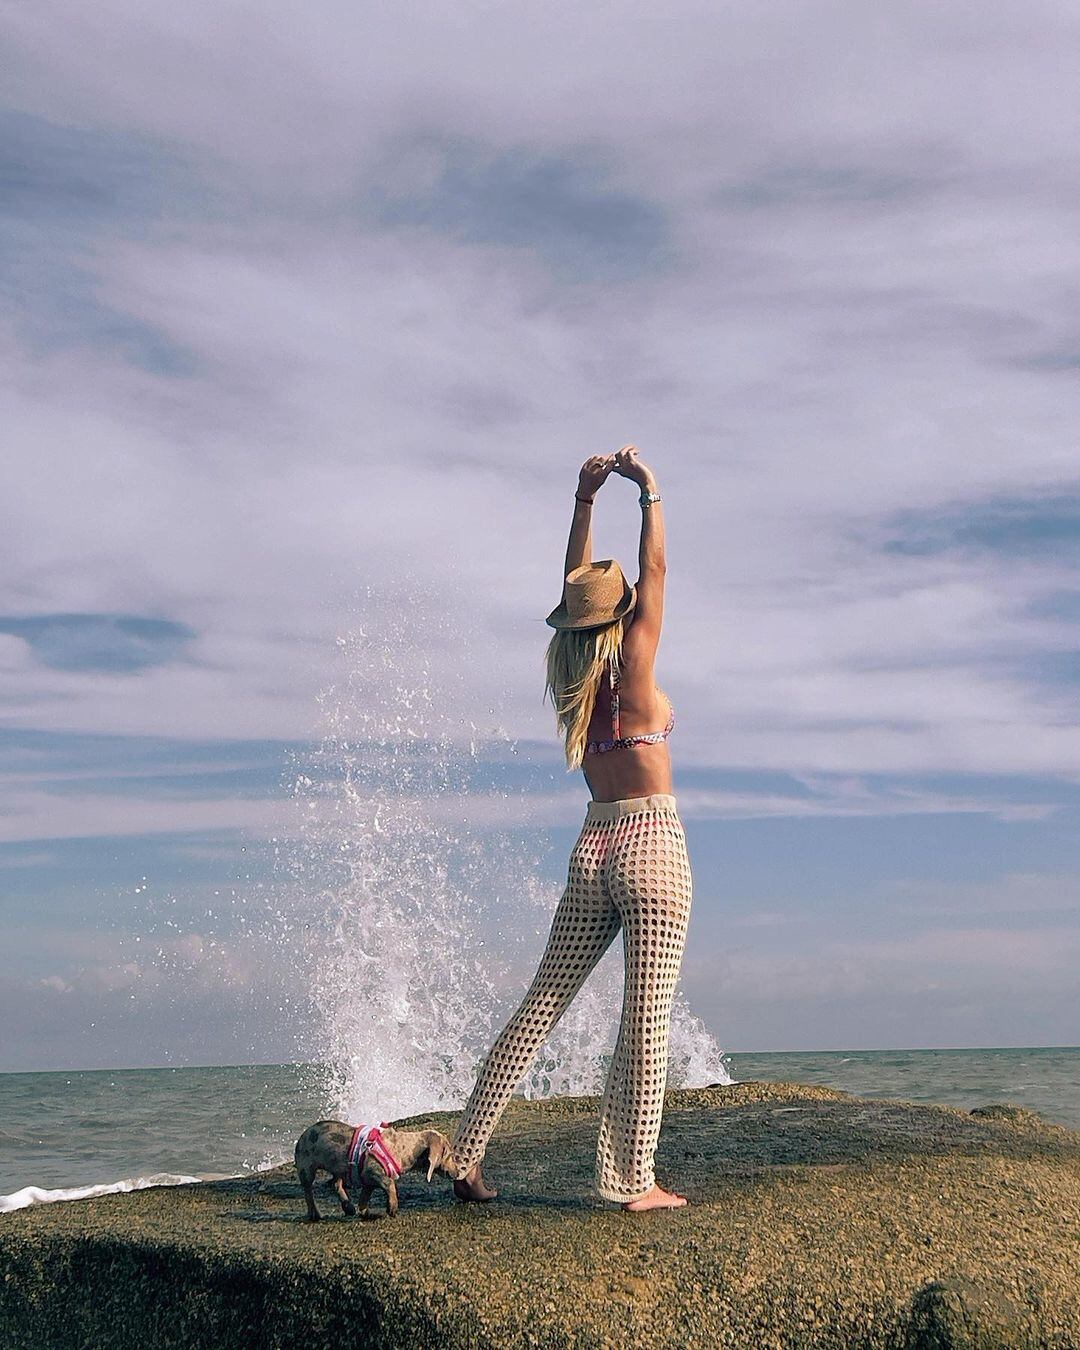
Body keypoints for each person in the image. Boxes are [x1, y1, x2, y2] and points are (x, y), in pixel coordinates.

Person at [450, 445, 692, 1211]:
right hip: (651, 844)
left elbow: (578, 592)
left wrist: (583, 502)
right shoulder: (636, 669)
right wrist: (648, 491)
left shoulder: (572, 681)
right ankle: (631, 1182)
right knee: (644, 1023)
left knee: (539, 1006)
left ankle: (463, 1155)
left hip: (593, 846)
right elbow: (654, 576)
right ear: (619, 614)